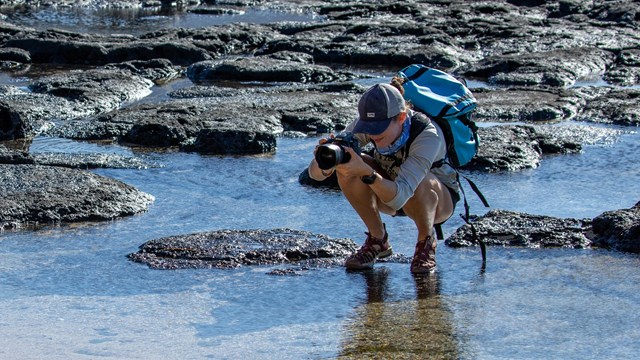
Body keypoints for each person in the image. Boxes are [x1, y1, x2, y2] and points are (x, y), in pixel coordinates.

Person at [307, 81, 460, 274]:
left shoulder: (428, 135)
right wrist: (325, 161)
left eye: (379, 127)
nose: (372, 133)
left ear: (401, 118)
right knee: (347, 167)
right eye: (369, 127)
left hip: (435, 201)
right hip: (390, 190)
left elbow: (400, 197)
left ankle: (425, 242)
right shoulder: (366, 126)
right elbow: (314, 175)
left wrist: (367, 173)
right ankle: (378, 240)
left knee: (421, 180)